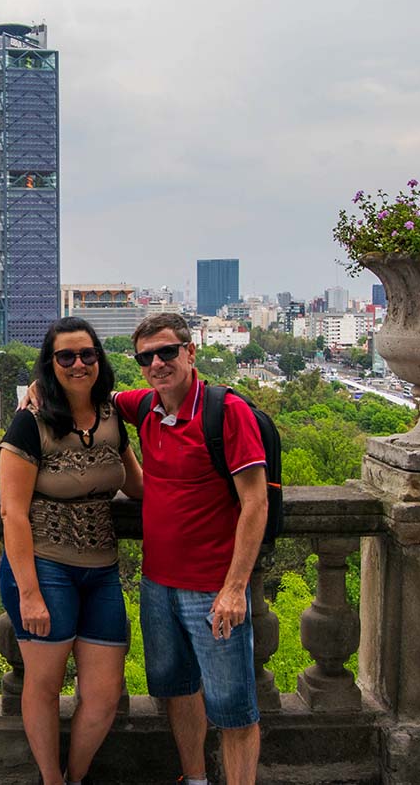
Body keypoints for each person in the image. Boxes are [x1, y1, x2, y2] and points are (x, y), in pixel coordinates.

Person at [113, 313, 268, 785]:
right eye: (146, 357)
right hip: (158, 584)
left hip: (212, 589)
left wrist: (235, 588)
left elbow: (255, 503)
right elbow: (95, 391)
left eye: (167, 352)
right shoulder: (145, 407)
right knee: (179, 691)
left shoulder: (226, 412)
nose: (157, 363)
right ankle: (195, 778)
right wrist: (39, 391)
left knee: (234, 709)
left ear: (190, 352)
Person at [0, 317, 143, 785]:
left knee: (104, 692)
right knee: (43, 686)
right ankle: (51, 780)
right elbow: (12, 515)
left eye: (87, 354)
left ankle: (76, 776)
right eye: (65, 356)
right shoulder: (30, 424)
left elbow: (139, 488)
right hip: (44, 568)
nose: (78, 363)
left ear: (99, 359)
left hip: (101, 571)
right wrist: (29, 594)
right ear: (50, 364)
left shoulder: (112, 417)